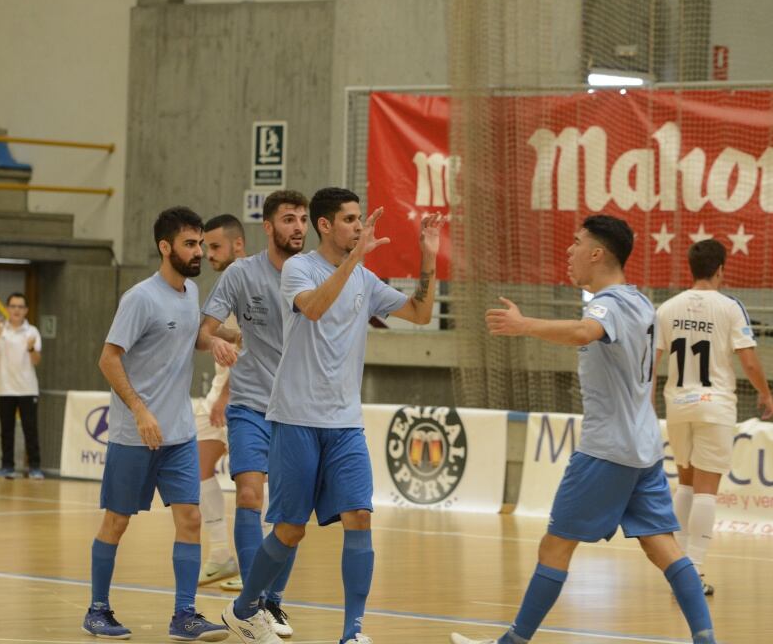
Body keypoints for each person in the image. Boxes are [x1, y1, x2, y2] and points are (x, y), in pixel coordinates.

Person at [451, 215, 717, 644]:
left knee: (555, 547)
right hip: (644, 447)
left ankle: (511, 643)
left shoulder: (608, 304)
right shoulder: (642, 302)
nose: (569, 252)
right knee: (663, 546)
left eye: (576, 244)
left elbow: (583, 331)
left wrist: (524, 326)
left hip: (606, 450)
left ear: (597, 253)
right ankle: (707, 640)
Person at [223, 187, 444, 644]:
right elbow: (315, 308)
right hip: (296, 417)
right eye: (350, 220)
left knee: (360, 517)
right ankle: (245, 607)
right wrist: (354, 260)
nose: (359, 227)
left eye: (360, 219)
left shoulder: (363, 278)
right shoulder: (299, 269)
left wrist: (429, 258)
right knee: (289, 530)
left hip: (345, 423)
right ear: (325, 225)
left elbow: (421, 313)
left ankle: (352, 633)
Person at [82, 206, 228, 642]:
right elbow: (108, 358)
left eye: (200, 243)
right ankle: (97, 609)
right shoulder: (139, 298)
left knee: (190, 518)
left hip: (180, 434)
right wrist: (140, 411)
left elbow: (189, 335)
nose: (198, 250)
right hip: (135, 435)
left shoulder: (190, 293)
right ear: (166, 247)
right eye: (190, 243)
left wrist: (219, 339)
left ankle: (185, 615)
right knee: (116, 522)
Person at [198, 191, 309, 638]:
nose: (298, 226)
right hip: (248, 404)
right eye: (289, 219)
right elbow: (203, 329)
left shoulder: (316, 274)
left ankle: (274, 603)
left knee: (291, 514)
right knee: (248, 495)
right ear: (268, 226)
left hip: (300, 410)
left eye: (303, 219)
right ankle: (251, 604)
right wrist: (218, 340)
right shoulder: (241, 275)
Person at [655, 238, 773, 596]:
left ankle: (676, 567)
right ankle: (693, 572)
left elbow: (652, 362)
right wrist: (766, 393)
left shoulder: (666, 308)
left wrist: (646, 405)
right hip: (714, 405)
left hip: (677, 405)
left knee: (686, 484)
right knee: (706, 491)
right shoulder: (729, 307)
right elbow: (749, 361)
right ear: (721, 269)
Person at [196, 214, 246, 590]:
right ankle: (219, 554)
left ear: (237, 245)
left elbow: (255, 345)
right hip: (220, 387)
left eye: (214, 246)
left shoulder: (250, 281)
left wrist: (228, 393)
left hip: (246, 393)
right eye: (203, 246)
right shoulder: (221, 285)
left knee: (253, 481)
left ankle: (251, 566)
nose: (206, 253)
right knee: (197, 466)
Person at [0, 292, 42, 480]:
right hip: (4, 387)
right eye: (13, 306)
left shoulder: (32, 331)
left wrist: (31, 348)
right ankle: (7, 466)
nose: (16, 310)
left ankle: (34, 467)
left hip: (27, 388)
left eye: (20, 307)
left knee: (30, 429)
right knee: (6, 429)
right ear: (7, 308)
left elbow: (36, 360)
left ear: (25, 310)